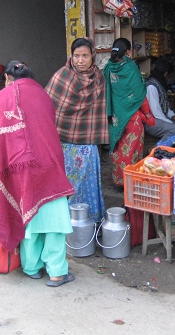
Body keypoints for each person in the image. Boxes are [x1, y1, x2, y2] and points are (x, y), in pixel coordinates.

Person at [0, 61, 75, 287]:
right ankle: (57, 272)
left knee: (28, 216)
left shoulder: (2, 97)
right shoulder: (42, 95)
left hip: (16, 165)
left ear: (8, 79)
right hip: (48, 164)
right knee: (55, 222)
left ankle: (31, 268)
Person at [45, 37, 109, 222]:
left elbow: (100, 110)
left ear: (93, 57)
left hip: (87, 145)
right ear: (71, 57)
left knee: (87, 184)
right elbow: (46, 106)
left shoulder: (99, 78)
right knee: (65, 186)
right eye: (76, 56)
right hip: (63, 145)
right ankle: (63, 222)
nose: (80, 60)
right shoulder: (62, 76)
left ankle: (89, 221)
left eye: (85, 56)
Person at [103, 38, 155, 186]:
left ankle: (119, 180)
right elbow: (139, 95)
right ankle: (131, 181)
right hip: (132, 116)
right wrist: (149, 116)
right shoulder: (130, 67)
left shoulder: (108, 66)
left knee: (119, 149)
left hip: (116, 117)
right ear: (128, 51)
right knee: (132, 149)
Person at [144, 58, 175, 141]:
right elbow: (156, 112)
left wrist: (173, 116)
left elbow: (164, 106)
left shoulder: (160, 85)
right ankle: (156, 149)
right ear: (165, 74)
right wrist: (171, 123)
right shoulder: (151, 86)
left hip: (162, 118)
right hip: (152, 121)